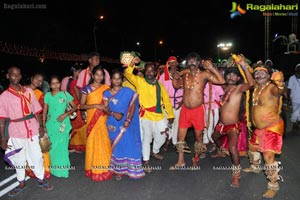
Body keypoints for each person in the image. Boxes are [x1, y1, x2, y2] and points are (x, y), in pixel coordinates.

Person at [0, 66, 53, 197]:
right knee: (19, 159)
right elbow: (1, 120)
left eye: (18, 75)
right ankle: (21, 182)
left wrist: (41, 127)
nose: (16, 77)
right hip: (16, 132)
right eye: (13, 75)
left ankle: (41, 179)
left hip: (33, 129)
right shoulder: (4, 96)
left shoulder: (28, 91)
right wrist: (2, 138)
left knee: (36, 156)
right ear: (8, 76)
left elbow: (37, 111)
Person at [169, 52, 225, 169]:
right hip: (185, 110)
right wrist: (175, 77)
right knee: (180, 137)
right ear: (187, 63)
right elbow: (176, 86)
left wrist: (212, 68)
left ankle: (196, 158)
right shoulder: (185, 74)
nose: (192, 63)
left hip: (198, 110)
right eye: (190, 61)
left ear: (199, 63)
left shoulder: (204, 75)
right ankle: (181, 161)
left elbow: (221, 81)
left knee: (198, 137)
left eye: (195, 61)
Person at [124, 58, 175, 171]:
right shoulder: (140, 81)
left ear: (156, 72)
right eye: (147, 70)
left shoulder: (160, 86)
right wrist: (132, 63)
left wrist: (170, 115)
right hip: (146, 115)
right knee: (147, 138)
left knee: (162, 137)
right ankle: (146, 161)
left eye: (152, 70)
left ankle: (155, 151)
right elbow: (127, 74)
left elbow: (166, 100)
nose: (149, 72)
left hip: (159, 115)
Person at [243, 64, 285, 198]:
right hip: (259, 128)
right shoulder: (256, 88)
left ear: (268, 76)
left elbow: (280, 92)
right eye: (256, 73)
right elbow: (250, 80)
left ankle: (273, 185)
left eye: (262, 72)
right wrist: (244, 66)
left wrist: (280, 83)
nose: (258, 74)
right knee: (253, 147)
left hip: (272, 127)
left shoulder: (271, 87)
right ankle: (255, 167)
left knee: (268, 156)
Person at [211, 54, 254, 187]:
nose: (231, 77)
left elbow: (251, 84)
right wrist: (212, 68)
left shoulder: (239, 89)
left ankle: (236, 175)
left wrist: (243, 65)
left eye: (234, 75)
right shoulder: (224, 89)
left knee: (233, 147)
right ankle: (221, 151)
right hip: (221, 124)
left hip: (233, 126)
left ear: (238, 78)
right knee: (214, 137)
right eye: (229, 74)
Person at [103, 69, 145, 180]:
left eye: (119, 78)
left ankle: (131, 169)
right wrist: (113, 113)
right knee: (118, 147)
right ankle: (118, 170)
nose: (116, 80)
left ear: (122, 79)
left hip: (127, 123)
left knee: (130, 145)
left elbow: (132, 107)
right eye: (114, 78)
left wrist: (128, 120)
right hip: (113, 123)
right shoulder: (106, 93)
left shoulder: (128, 91)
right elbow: (105, 109)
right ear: (111, 80)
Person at [80, 65, 113, 181]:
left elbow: (110, 104)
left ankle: (105, 166)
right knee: (93, 142)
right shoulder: (86, 88)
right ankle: (93, 167)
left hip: (103, 118)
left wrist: (107, 109)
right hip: (92, 119)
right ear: (93, 75)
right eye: (97, 74)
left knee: (103, 141)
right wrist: (95, 105)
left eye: (101, 75)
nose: (99, 77)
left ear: (103, 76)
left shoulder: (106, 88)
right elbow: (82, 105)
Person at [42, 75, 77, 178]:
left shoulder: (65, 94)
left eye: (57, 82)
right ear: (50, 85)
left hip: (63, 124)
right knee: (52, 147)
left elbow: (75, 107)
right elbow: (44, 111)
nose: (55, 85)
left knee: (62, 146)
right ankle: (54, 168)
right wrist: (43, 125)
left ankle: (63, 169)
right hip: (51, 125)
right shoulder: (47, 95)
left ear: (60, 84)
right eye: (53, 83)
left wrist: (65, 115)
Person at [25, 72, 51, 179]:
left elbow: (40, 112)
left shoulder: (41, 94)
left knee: (38, 147)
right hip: (23, 123)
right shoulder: (22, 90)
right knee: (26, 147)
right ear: (31, 78)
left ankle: (42, 169)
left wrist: (42, 126)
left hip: (34, 122)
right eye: (37, 79)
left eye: (41, 81)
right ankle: (28, 168)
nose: (38, 82)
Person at [158, 56, 184, 151]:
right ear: (168, 64)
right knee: (167, 124)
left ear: (177, 64)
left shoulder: (182, 75)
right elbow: (159, 91)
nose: (173, 65)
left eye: (175, 63)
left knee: (176, 124)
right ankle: (167, 140)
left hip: (179, 104)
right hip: (167, 104)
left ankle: (173, 142)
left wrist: (182, 102)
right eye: (171, 63)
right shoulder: (163, 77)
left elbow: (186, 91)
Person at [77, 52, 110, 121]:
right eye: (96, 59)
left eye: (98, 59)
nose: (98, 61)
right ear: (90, 60)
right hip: (88, 108)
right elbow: (79, 90)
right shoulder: (83, 73)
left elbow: (108, 90)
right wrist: (82, 110)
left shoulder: (105, 72)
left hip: (103, 109)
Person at [63, 63, 87, 153]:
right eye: (79, 72)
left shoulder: (68, 80)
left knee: (75, 125)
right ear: (75, 72)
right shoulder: (75, 82)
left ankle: (74, 145)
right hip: (76, 104)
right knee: (81, 124)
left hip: (71, 104)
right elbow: (78, 96)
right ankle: (77, 145)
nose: (81, 74)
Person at [202, 82, 224, 158]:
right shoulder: (201, 82)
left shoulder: (215, 83)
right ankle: (214, 146)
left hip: (213, 108)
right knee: (205, 127)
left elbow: (221, 95)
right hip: (203, 107)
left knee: (211, 128)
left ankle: (206, 147)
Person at [287, 63, 300, 130]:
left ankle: (295, 122)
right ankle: (295, 122)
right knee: (295, 111)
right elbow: (289, 89)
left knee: (298, 112)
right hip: (294, 99)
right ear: (296, 69)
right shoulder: (292, 78)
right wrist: (288, 99)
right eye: (298, 67)